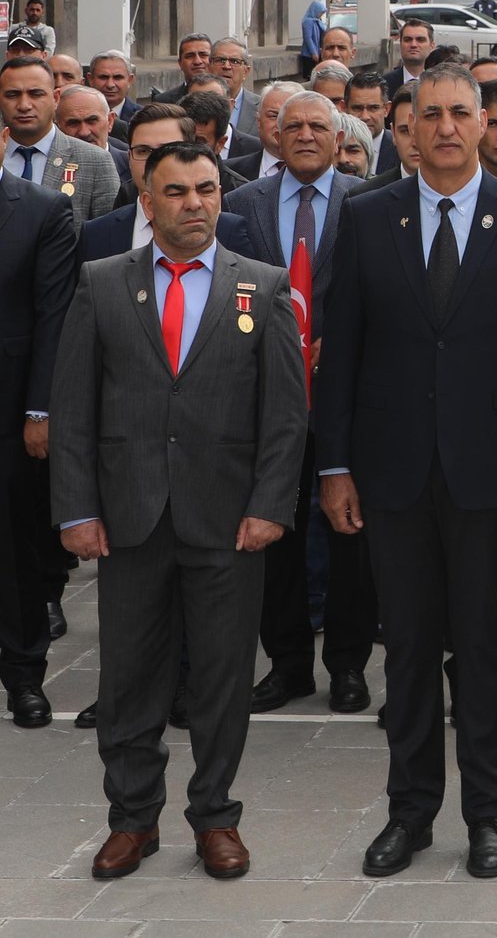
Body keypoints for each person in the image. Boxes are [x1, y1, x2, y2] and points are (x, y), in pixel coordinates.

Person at [316, 65, 497, 880]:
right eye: (429, 114)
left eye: (461, 112)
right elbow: (341, 354)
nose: (447, 127)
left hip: (489, 478)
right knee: (411, 650)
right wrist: (334, 465)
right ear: (408, 126)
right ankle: (410, 811)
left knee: (485, 649)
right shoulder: (365, 218)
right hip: (391, 476)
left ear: (487, 120)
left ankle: (489, 815)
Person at [50, 141, 304, 881]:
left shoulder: (262, 284)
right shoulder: (100, 284)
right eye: (178, 191)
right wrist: (76, 510)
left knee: (223, 679)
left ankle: (216, 816)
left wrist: (269, 506)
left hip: (229, 522)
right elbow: (72, 413)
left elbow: (286, 416)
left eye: (206, 188)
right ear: (148, 200)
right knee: (129, 678)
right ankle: (132, 821)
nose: (196, 202)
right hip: (130, 519)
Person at [222, 93, 370, 716]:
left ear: (340, 140)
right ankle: (287, 665)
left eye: (319, 126)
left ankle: (348, 666)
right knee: (274, 534)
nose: (306, 135)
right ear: (274, 139)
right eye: (294, 127)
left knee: (348, 537)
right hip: (264, 398)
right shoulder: (239, 207)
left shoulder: (372, 202)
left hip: (349, 395)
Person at [0, 168, 78, 731]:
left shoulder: (41, 208)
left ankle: (24, 674)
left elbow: (54, 315)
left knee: (14, 550)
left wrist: (39, 410)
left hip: (10, 411)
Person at [3, 51, 121, 221]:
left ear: (55, 98)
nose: (24, 105)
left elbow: (108, 237)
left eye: (36, 94)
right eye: (12, 95)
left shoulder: (95, 161)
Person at [299, 2, 326, 80]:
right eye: (321, 12)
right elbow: (308, 38)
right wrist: (313, 53)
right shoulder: (307, 22)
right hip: (309, 54)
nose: (321, 14)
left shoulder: (318, 21)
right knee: (310, 76)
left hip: (318, 51)